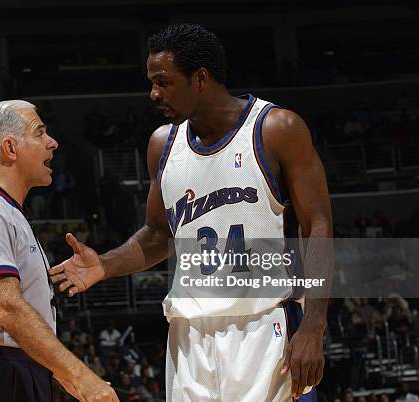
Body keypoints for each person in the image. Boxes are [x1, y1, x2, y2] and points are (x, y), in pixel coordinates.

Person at [50, 24, 332, 402]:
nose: (153, 94)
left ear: (200, 78)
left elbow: (319, 226)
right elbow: (157, 235)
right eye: (151, 82)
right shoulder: (162, 145)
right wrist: (106, 264)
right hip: (189, 334)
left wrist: (314, 324)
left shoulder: (276, 129)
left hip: (265, 326)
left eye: (163, 82)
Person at [0, 100, 118, 402]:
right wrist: (81, 376)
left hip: (17, 369)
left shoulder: (8, 210)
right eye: (40, 133)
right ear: (10, 148)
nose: (53, 143)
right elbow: (7, 308)